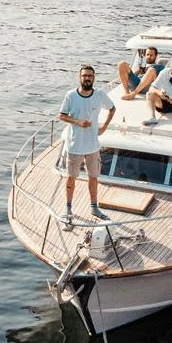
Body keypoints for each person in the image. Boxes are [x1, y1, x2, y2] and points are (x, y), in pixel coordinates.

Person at [57, 64, 116, 224]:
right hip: (74, 146)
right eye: (84, 76)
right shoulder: (71, 95)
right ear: (80, 77)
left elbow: (112, 109)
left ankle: (94, 207)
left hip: (92, 146)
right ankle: (68, 208)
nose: (87, 78)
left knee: (93, 178)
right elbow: (61, 116)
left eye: (90, 76)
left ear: (94, 77)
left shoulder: (99, 95)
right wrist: (77, 121)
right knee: (71, 178)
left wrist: (103, 127)